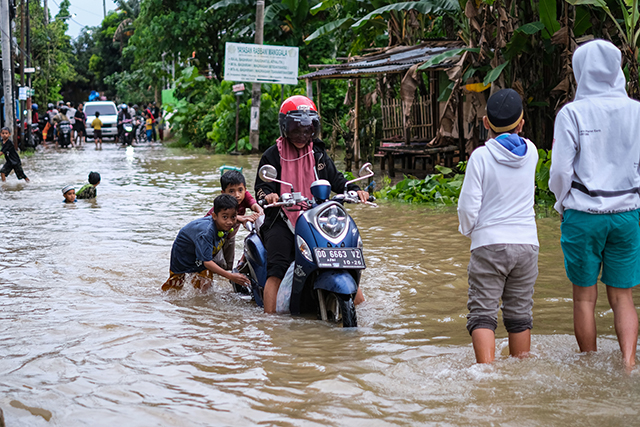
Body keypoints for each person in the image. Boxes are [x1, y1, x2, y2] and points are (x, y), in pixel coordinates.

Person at [549, 39, 640, 369]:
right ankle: (629, 364)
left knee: (584, 298)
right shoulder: (637, 111)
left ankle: (589, 366)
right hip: (627, 215)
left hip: (583, 215)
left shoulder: (571, 113)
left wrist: (562, 203)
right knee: (623, 297)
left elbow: (560, 170)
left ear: (580, 70)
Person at [255, 95, 369, 314]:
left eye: (308, 130)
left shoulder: (318, 154)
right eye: (296, 129)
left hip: (317, 218)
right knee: (277, 267)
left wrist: (354, 190)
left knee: (341, 258)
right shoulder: (272, 155)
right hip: (282, 219)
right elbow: (262, 186)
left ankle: (366, 313)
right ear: (284, 127)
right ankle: (269, 324)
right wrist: (270, 196)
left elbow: (337, 180)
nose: (302, 135)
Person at [457, 89, 539, 364]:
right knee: (519, 316)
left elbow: (468, 207)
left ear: (485, 123)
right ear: (521, 124)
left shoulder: (480, 157)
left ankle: (486, 376)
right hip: (527, 245)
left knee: (482, 314)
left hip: (489, 244)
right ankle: (521, 370)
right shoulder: (533, 153)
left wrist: (472, 232)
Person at [161, 194, 250, 292]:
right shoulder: (206, 233)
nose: (230, 222)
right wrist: (230, 276)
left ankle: (198, 306)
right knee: (174, 287)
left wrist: (242, 219)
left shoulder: (223, 224)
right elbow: (207, 262)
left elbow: (230, 218)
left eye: (233, 217)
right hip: (183, 255)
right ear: (214, 216)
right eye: (225, 217)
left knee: (206, 284)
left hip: (200, 254)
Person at [205, 170, 264, 270]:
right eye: (231, 191)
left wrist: (260, 213)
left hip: (230, 236)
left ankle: (226, 283)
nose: (237, 195)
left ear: (245, 189)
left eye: (240, 190)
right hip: (214, 236)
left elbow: (255, 206)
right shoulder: (223, 203)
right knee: (219, 263)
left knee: (229, 264)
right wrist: (244, 219)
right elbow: (227, 218)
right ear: (223, 193)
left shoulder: (244, 196)